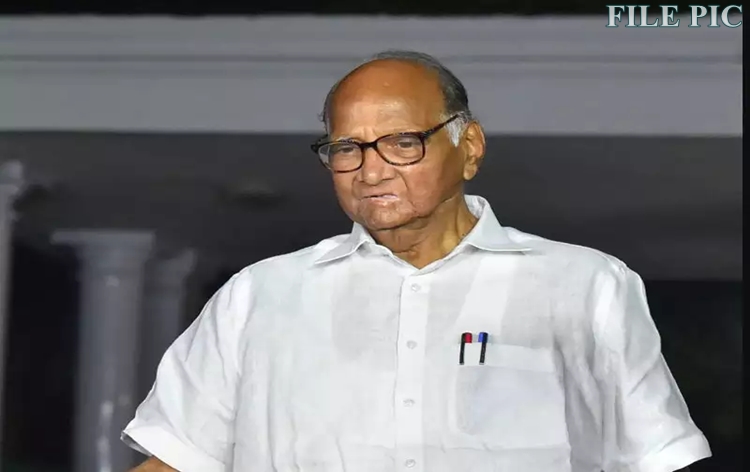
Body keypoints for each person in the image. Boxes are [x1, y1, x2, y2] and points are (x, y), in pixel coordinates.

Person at [124, 50, 711, 472]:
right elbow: (177, 459)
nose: (370, 170)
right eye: (347, 148)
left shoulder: (583, 285)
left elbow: (656, 456)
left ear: (469, 147)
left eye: (402, 143)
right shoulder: (259, 296)